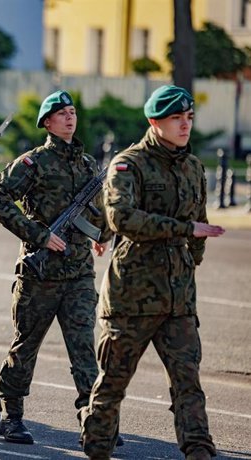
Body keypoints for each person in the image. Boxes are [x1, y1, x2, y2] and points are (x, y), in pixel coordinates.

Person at [80, 85, 224, 460]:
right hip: (132, 297)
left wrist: (191, 256)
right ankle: (95, 447)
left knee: (187, 382)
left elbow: (200, 223)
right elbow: (121, 218)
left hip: (178, 300)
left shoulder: (193, 166)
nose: (185, 125)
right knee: (112, 382)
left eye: (189, 117)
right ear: (154, 121)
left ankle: (198, 448)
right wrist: (184, 231)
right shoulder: (129, 164)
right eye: (176, 118)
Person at [0, 90, 113, 445]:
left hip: (78, 274)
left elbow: (98, 212)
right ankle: (11, 416)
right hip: (39, 275)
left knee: (84, 348)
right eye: (61, 113)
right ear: (47, 122)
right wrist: (38, 235)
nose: (70, 118)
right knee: (25, 345)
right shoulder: (33, 163)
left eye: (73, 112)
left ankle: (93, 419)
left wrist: (102, 233)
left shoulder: (88, 165)